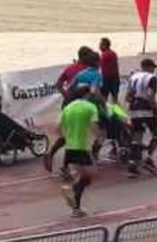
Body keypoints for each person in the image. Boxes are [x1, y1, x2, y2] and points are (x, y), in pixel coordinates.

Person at [44, 46, 93, 174]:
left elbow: (58, 84)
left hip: (68, 103)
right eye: (90, 55)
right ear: (84, 56)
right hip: (77, 104)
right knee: (74, 135)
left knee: (70, 134)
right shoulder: (85, 70)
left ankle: (56, 157)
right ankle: (67, 165)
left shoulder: (71, 68)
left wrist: (66, 95)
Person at [58, 87, 100, 218]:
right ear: (86, 95)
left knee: (84, 177)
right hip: (83, 147)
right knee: (90, 174)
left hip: (70, 147)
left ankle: (76, 209)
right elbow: (94, 125)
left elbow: (58, 128)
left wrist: (68, 137)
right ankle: (71, 190)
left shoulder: (68, 107)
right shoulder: (90, 107)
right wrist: (97, 137)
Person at [125, 59, 157, 178]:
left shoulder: (133, 77)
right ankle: (148, 158)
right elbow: (150, 95)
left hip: (134, 108)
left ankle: (132, 165)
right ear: (148, 66)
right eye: (152, 67)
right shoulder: (152, 78)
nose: (154, 69)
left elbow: (128, 96)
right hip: (146, 108)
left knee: (137, 135)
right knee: (156, 133)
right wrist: (155, 109)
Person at [99, 38, 120, 104]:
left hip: (107, 78)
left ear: (104, 45)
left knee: (104, 98)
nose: (99, 47)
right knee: (115, 98)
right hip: (115, 77)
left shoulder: (105, 55)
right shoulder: (113, 53)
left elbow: (99, 65)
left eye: (100, 45)